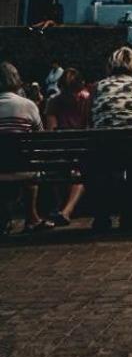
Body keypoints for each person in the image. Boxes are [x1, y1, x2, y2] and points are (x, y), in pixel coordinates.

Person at [88, 46, 132, 233]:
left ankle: (102, 216)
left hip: (103, 147)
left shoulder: (97, 86)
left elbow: (88, 119)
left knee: (101, 169)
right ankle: (131, 217)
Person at [0, 61, 51, 232]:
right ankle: (32, 218)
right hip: (25, 168)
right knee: (29, 163)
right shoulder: (28, 105)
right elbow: (40, 138)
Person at [43, 67, 91, 226]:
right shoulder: (84, 100)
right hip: (71, 150)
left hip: (70, 151)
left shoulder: (55, 102)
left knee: (72, 167)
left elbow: (52, 131)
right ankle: (65, 209)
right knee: (78, 168)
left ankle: (64, 209)